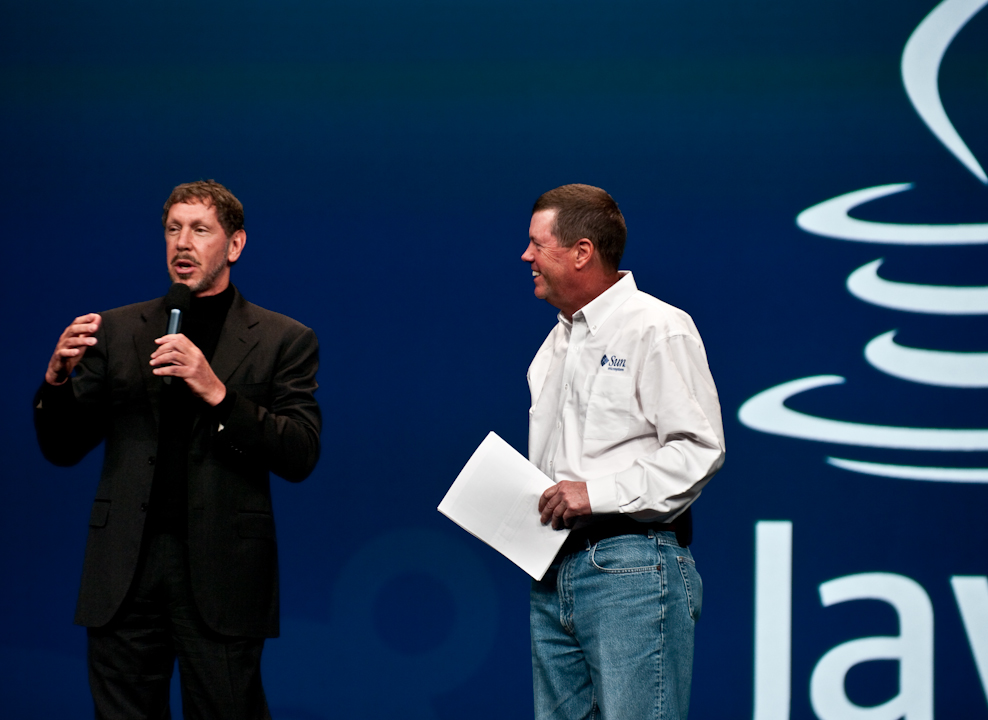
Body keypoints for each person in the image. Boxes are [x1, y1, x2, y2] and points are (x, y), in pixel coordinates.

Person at [34, 180, 321, 719]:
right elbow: (62, 447)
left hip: (222, 578)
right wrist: (55, 384)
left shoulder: (282, 339)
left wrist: (215, 391)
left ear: (234, 245)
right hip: (125, 573)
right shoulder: (118, 331)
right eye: (173, 229)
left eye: (199, 230)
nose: (182, 243)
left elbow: (300, 452)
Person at [521, 184, 725, 720]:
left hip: (631, 568)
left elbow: (699, 448)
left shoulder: (656, 327)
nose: (526, 257)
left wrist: (594, 493)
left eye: (537, 244)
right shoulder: (555, 344)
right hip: (553, 572)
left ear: (582, 251)